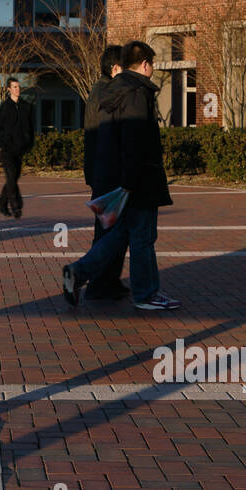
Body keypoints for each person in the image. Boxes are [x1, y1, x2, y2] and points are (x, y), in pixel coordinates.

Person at [62, 41, 181, 311]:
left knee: (120, 235)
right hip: (137, 180)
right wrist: (131, 181)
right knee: (143, 237)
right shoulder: (137, 92)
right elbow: (134, 140)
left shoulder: (111, 91)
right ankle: (147, 294)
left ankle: (78, 272)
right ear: (145, 64)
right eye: (152, 65)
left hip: (115, 179)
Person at [82, 45, 129, 299]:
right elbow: (107, 137)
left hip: (101, 170)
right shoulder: (106, 95)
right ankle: (98, 281)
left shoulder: (98, 91)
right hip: (107, 172)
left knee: (111, 228)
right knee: (109, 230)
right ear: (115, 68)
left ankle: (109, 279)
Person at [0, 76, 34, 218]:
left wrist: (29, 144)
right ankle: (16, 206)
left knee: (13, 178)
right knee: (11, 177)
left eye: (18, 86)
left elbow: (30, 127)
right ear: (9, 89)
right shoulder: (5, 107)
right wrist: (2, 144)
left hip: (19, 150)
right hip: (6, 150)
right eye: (14, 87)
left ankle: (2, 202)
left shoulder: (25, 106)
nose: (18, 89)